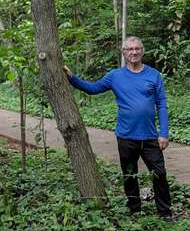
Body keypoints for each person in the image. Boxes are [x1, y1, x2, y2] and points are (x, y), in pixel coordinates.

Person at [63, 36, 173, 220]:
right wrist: (72, 78)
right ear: (124, 53)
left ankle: (165, 212)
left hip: (150, 137)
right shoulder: (115, 76)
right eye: (130, 49)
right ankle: (134, 209)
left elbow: (161, 104)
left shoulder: (154, 75)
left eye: (137, 48)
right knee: (129, 174)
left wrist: (164, 133)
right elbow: (93, 88)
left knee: (159, 174)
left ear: (142, 51)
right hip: (126, 136)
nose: (134, 52)